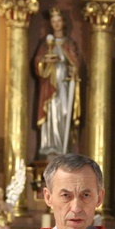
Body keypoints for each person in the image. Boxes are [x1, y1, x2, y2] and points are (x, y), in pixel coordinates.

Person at [32, 9, 82, 157]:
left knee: (64, 111)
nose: (56, 24)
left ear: (63, 23)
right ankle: (50, 145)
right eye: (53, 22)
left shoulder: (69, 44)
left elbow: (75, 63)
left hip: (64, 83)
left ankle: (63, 145)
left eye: (59, 21)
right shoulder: (46, 45)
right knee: (50, 113)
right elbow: (38, 63)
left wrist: (71, 67)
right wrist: (45, 61)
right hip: (49, 84)